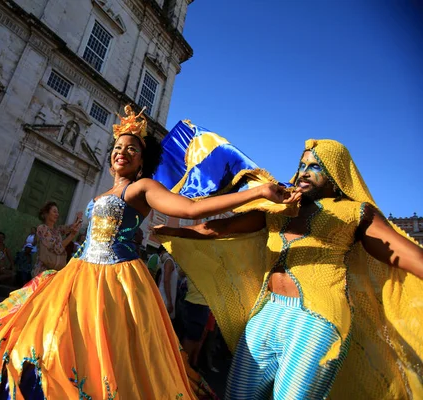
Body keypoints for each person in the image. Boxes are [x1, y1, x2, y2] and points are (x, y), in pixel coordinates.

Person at [0, 105, 297, 399]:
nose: (122, 152)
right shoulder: (103, 192)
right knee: (47, 342)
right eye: (118, 147)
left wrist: (259, 191)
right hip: (76, 274)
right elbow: (88, 233)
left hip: (118, 282)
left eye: (132, 149)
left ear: (143, 160)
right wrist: (64, 240)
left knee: (108, 353)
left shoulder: (139, 189)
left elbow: (189, 209)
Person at [155, 139, 423, 399]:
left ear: (335, 173)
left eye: (315, 167)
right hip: (268, 312)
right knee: (237, 393)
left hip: (318, 319)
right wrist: (170, 231)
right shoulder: (278, 208)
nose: (304, 173)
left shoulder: (355, 212)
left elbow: (405, 254)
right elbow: (220, 228)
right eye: (302, 165)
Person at [31, 201, 82, 277]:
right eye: (54, 212)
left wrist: (77, 220)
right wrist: (71, 236)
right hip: (42, 273)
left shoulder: (57, 229)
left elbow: (70, 227)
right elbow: (57, 248)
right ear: (46, 213)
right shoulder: (42, 229)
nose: (57, 214)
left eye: (57, 212)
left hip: (54, 273)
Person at [157, 245, 178, 319]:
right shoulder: (169, 261)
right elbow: (166, 280)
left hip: (165, 295)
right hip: (165, 297)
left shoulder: (169, 261)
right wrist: (169, 301)